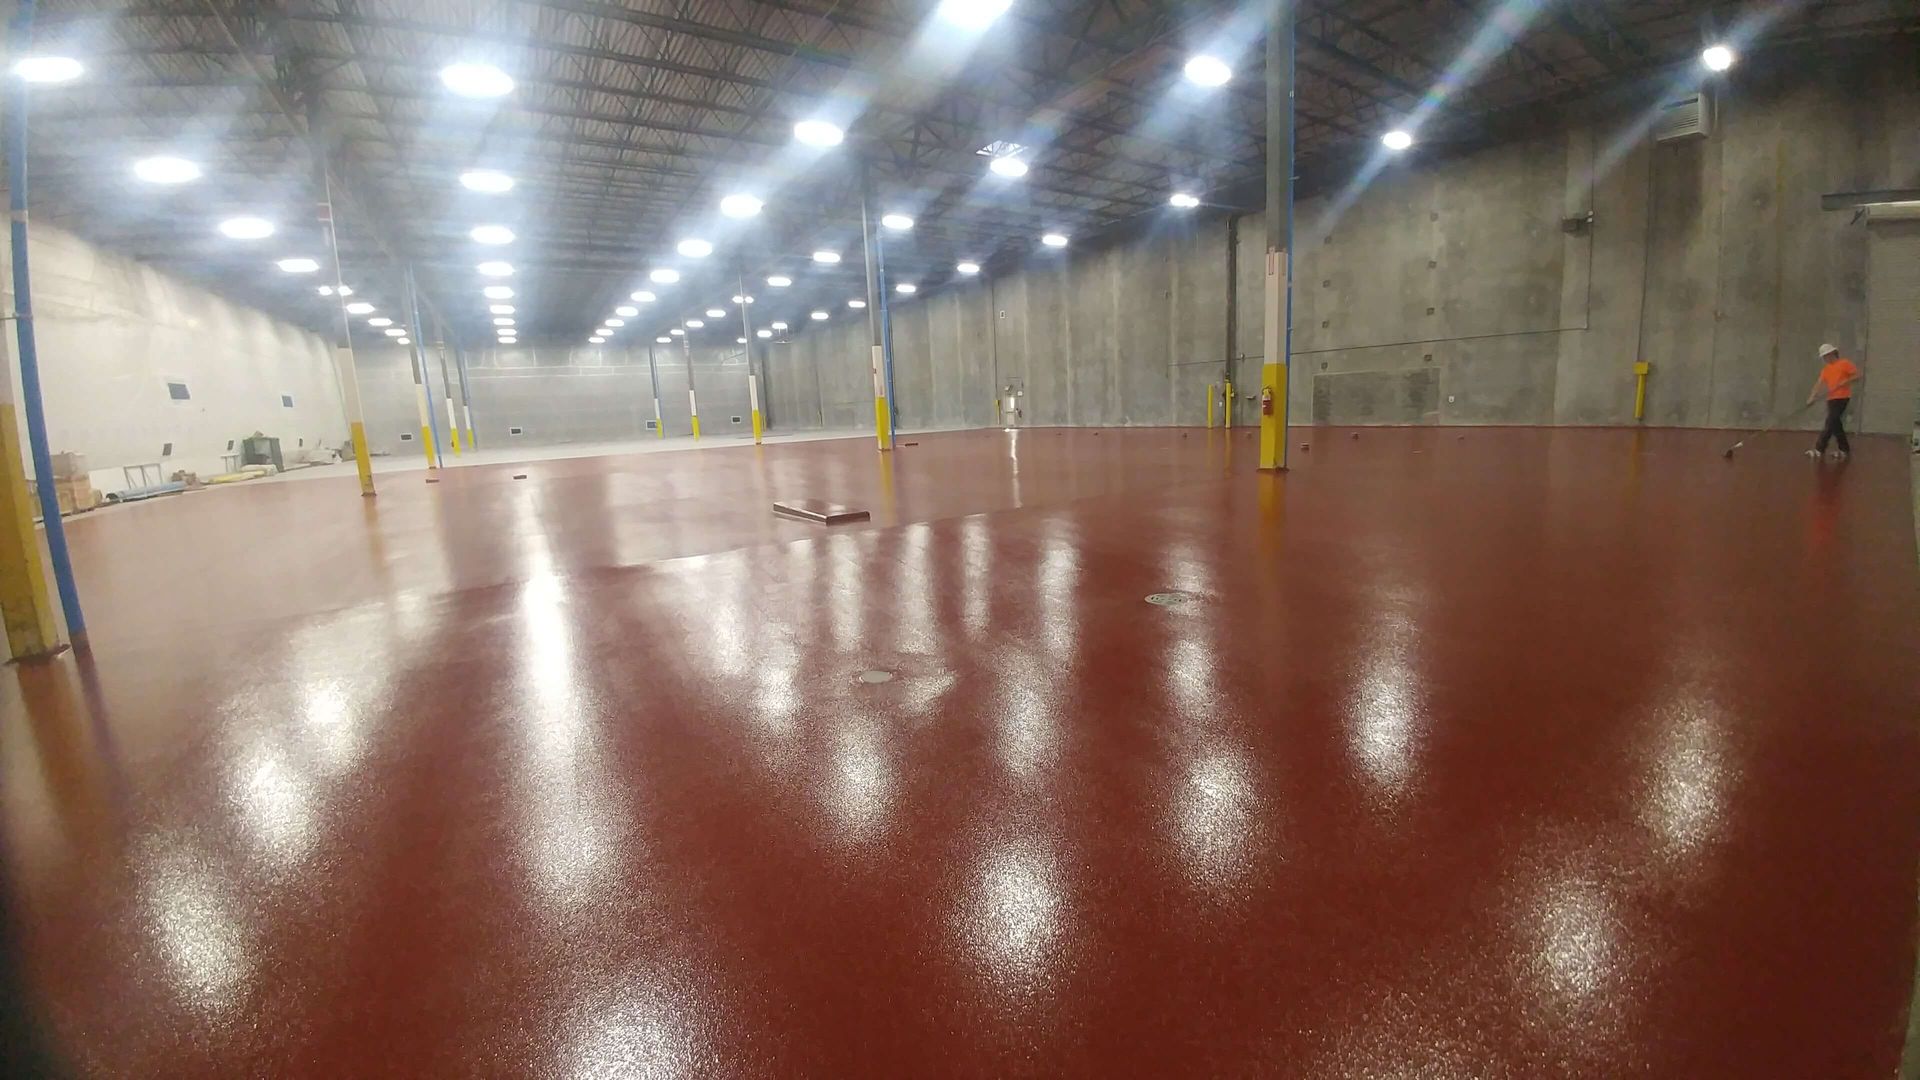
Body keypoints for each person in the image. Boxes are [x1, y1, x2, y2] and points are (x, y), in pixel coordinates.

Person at [1805, 343, 1860, 461]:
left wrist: (1845, 381)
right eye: (1824, 357)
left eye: (1826, 356)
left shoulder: (1844, 363)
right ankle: (1844, 449)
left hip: (1842, 397)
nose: (1825, 359)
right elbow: (1818, 383)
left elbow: (1857, 375)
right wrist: (1812, 397)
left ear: (1832, 354)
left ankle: (1819, 449)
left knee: (1830, 421)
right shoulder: (1826, 369)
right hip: (1831, 398)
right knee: (1835, 424)